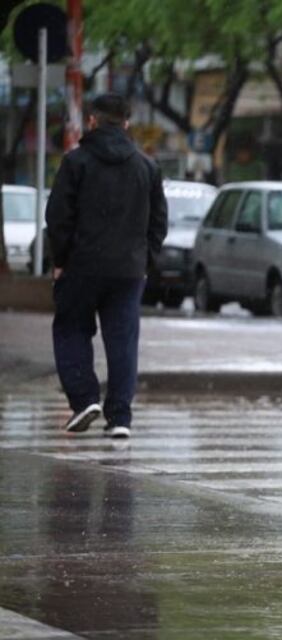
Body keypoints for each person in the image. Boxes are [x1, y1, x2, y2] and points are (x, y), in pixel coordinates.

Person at [46, 93, 168, 439]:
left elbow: (58, 217)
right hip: (129, 271)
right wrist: (145, 260)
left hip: (80, 266)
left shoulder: (76, 162)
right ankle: (120, 418)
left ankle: (84, 400)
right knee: (123, 341)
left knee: (71, 329)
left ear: (92, 121)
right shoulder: (147, 166)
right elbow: (159, 222)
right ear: (127, 123)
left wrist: (60, 260)